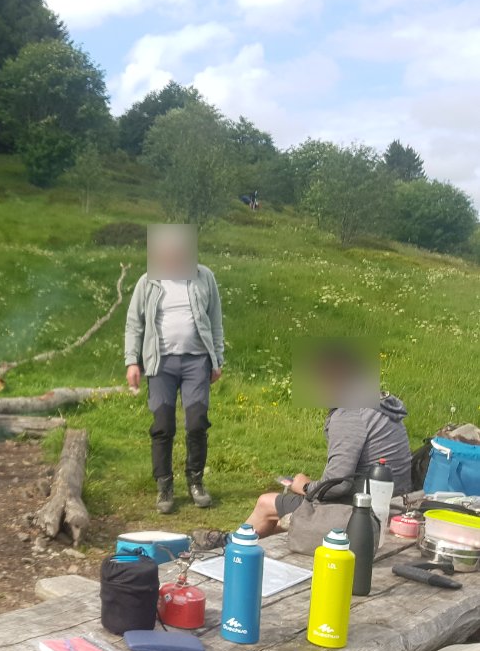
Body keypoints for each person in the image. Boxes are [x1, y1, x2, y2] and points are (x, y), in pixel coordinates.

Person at [195, 344, 412, 548]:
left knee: (266, 504)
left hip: (366, 516)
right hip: (394, 504)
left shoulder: (350, 416)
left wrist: (305, 486)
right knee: (281, 521)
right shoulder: (377, 405)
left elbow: (338, 486)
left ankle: (227, 548)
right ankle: (246, 549)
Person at [124, 225, 225, 514]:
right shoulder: (148, 282)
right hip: (160, 363)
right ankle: (165, 486)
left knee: (196, 423)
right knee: (162, 425)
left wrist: (217, 359)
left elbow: (215, 319)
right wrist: (133, 360)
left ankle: (196, 481)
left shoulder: (205, 277)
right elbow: (135, 323)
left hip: (197, 362)